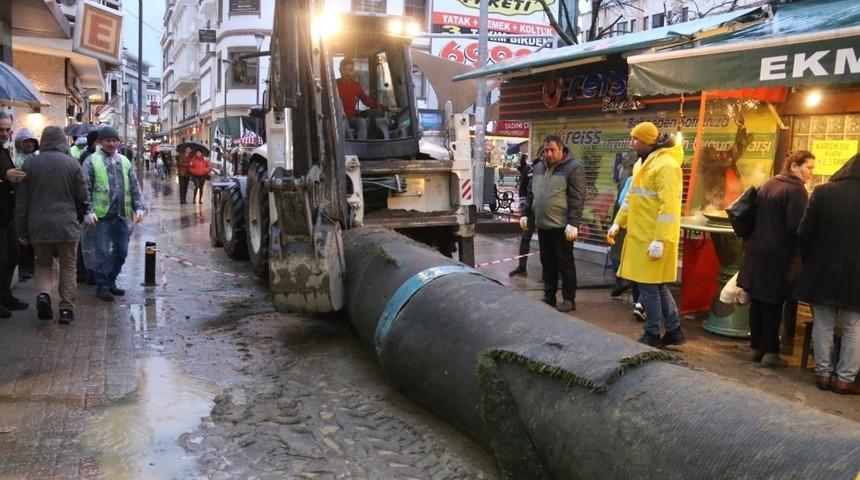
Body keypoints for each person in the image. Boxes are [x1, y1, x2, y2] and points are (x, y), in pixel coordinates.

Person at [607, 122, 684, 348]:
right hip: (642, 238)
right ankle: (674, 330)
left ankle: (652, 333)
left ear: (649, 141)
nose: (633, 143)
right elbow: (632, 198)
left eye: (636, 139)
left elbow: (669, 207)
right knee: (656, 286)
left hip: (653, 240)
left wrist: (660, 239)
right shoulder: (646, 164)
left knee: (649, 287)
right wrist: (618, 223)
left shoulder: (666, 166)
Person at [736, 150, 814, 366]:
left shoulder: (770, 183)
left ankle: (756, 348)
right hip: (778, 255)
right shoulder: (797, 191)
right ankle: (770, 353)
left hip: (756, 251)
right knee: (772, 303)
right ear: (794, 166)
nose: (811, 172)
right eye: (808, 167)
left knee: (758, 302)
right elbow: (794, 228)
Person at [795, 155, 860, 394]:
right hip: (857, 273)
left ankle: (823, 374)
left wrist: (809, 258)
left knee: (823, 322)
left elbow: (804, 232)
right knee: (854, 324)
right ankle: (844, 379)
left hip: (822, 268)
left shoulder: (823, 193)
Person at [15, 126, 88, 323]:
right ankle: (66, 309)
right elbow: (83, 195)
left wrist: (21, 230)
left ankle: (44, 295)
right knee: (67, 266)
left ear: (43, 140)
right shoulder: (73, 164)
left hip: (38, 224)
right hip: (66, 224)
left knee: (43, 263)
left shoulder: (29, 165)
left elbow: (22, 202)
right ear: (63, 141)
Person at [520, 135, 585, 312]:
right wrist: (525, 213)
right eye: (545, 150)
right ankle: (549, 296)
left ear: (562, 149)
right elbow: (530, 192)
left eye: (552, 150)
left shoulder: (573, 168)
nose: (548, 153)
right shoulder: (539, 168)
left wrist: (573, 223)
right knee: (547, 263)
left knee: (565, 264)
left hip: (561, 227)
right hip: (543, 225)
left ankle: (569, 299)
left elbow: (577, 198)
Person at [82, 126, 145, 302]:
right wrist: (88, 210)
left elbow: (134, 186)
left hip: (120, 216)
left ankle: (111, 280)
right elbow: (84, 187)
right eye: (108, 140)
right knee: (101, 252)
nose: (112, 143)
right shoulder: (91, 161)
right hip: (100, 217)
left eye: (114, 140)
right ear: (100, 142)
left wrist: (138, 206)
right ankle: (102, 286)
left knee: (121, 251)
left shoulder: (124, 161)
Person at [0, 111, 29, 316]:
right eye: (1, 129)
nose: (4, 133)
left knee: (12, 256)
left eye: (7, 129)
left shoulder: (3, 151)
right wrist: (4, 176)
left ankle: (5, 294)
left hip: (7, 214)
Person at [336, 58, 397, 140]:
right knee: (343, 122)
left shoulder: (356, 86)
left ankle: (361, 145)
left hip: (351, 118)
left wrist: (387, 108)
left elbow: (368, 102)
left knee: (361, 121)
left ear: (353, 70)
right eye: (345, 70)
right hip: (337, 119)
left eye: (350, 70)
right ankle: (353, 146)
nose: (347, 73)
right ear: (340, 70)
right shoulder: (333, 85)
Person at [13, 128, 39, 282]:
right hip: (20, 201)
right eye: (26, 141)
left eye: (31, 141)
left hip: (35, 202)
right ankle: (23, 267)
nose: (29, 144)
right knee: (22, 237)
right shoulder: (16, 160)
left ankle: (31, 265)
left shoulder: (37, 158)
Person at [510, 152, 537, 277]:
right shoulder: (530, 168)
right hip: (530, 210)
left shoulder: (552, 169)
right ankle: (522, 266)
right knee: (525, 238)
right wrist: (523, 209)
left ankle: (554, 272)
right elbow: (523, 189)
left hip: (545, 211)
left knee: (549, 242)